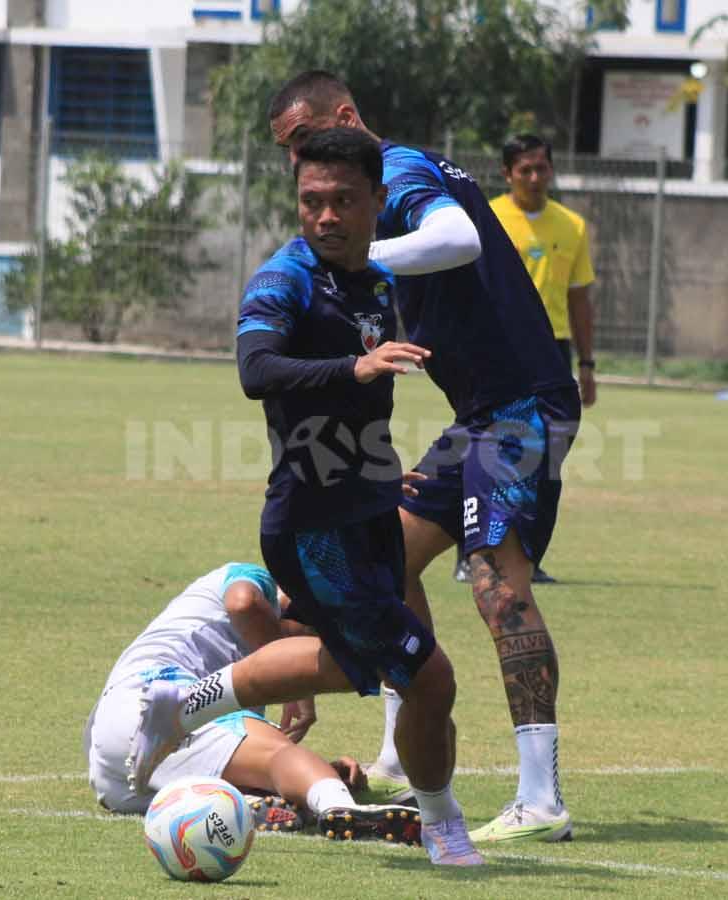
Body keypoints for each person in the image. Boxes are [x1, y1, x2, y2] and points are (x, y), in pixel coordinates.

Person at [128, 127, 484, 866]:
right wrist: (353, 369)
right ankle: (443, 824)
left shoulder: (378, 284)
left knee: (350, 664)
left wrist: (381, 470)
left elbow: (357, 416)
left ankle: (180, 704)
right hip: (314, 527)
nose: (325, 216)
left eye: (342, 201)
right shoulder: (284, 278)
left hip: (365, 510)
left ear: (378, 203)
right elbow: (257, 370)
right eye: (311, 201)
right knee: (430, 676)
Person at [267, 71, 580, 844]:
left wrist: (362, 260)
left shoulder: (400, 170)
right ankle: (404, 756)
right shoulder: (380, 197)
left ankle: (540, 799)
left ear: (346, 117)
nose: (301, 161)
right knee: (391, 557)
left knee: (496, 586)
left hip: (523, 408)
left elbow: (458, 239)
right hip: (478, 419)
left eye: (304, 139)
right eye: (290, 153)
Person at [85, 562, 421, 844]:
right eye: (311, 634)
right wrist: (296, 688)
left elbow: (233, 755)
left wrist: (321, 772)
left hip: (113, 772)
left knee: (269, 765)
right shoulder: (252, 578)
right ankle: (338, 807)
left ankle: (261, 802)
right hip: (158, 697)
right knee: (280, 755)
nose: (309, 648)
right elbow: (243, 603)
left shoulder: (234, 679)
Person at [452, 133, 599, 586]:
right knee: (483, 447)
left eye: (542, 168)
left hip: (551, 351)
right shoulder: (489, 217)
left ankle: (527, 558)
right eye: (525, 170)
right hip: (499, 346)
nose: (535, 178)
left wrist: (587, 364)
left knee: (549, 456)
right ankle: (470, 552)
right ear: (507, 173)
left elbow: (579, 298)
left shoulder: (571, 226)